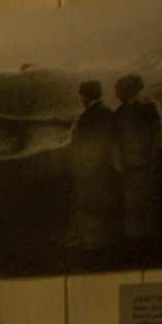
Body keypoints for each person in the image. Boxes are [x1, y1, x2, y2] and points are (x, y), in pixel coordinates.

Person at [110, 72, 162, 253]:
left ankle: (149, 244)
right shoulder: (119, 113)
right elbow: (115, 140)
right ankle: (135, 244)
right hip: (128, 167)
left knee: (147, 205)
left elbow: (158, 135)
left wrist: (154, 159)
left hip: (146, 165)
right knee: (131, 206)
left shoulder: (150, 107)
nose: (117, 94)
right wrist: (118, 163)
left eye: (119, 90)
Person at [66, 78, 119, 252]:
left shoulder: (95, 115)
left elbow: (96, 143)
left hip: (93, 167)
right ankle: (95, 239)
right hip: (96, 166)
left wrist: (87, 164)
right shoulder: (104, 113)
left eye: (82, 95)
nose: (81, 99)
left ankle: (96, 241)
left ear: (86, 96)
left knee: (94, 203)